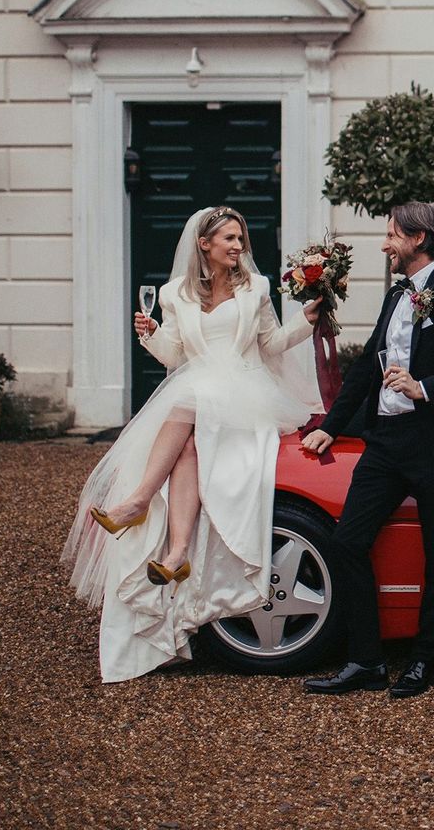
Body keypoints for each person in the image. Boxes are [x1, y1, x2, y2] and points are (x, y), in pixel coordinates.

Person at [62, 206, 322, 683]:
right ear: (204, 244)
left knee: (188, 409)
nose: (238, 245)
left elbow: (272, 343)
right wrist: (152, 337)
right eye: (228, 238)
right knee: (186, 447)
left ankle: (139, 499)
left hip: (245, 395)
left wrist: (306, 319)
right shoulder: (174, 294)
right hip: (199, 393)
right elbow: (177, 357)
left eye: (240, 237)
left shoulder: (256, 289)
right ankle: (177, 553)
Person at [301, 201, 434, 699]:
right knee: (347, 542)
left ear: (419, 240)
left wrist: (423, 387)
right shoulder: (397, 295)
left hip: (433, 445)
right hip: (385, 443)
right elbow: (370, 363)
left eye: (392, 235)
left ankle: (424, 660)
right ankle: (365, 661)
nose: (385, 243)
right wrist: (332, 425)